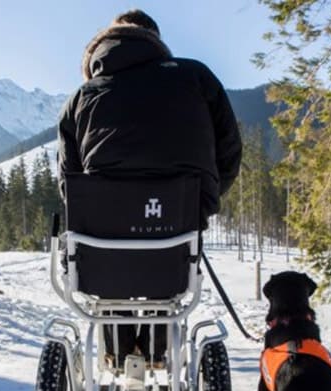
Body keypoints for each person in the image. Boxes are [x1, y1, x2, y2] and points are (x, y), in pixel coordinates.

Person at [57, 9, 242, 367]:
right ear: (157, 42)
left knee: (108, 271)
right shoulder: (195, 77)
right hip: (175, 222)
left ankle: (117, 354)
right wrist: (200, 203)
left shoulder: (82, 97)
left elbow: (70, 182)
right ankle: (158, 354)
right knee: (167, 273)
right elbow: (229, 152)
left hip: (103, 240)